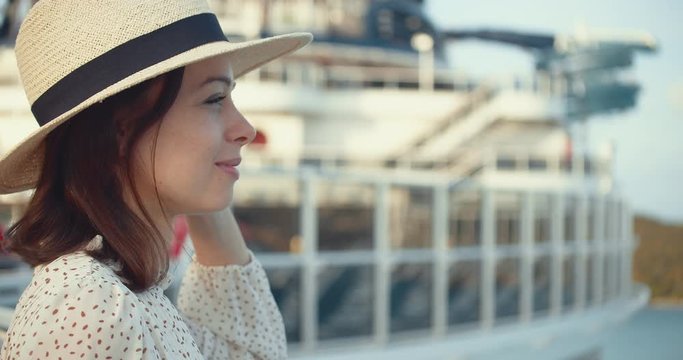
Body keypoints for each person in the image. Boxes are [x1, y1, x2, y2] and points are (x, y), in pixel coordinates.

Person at [0, 0, 311, 359]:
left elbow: (248, 352)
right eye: (214, 99)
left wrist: (202, 176)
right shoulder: (89, 307)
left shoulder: (132, 296)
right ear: (121, 131)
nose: (245, 128)